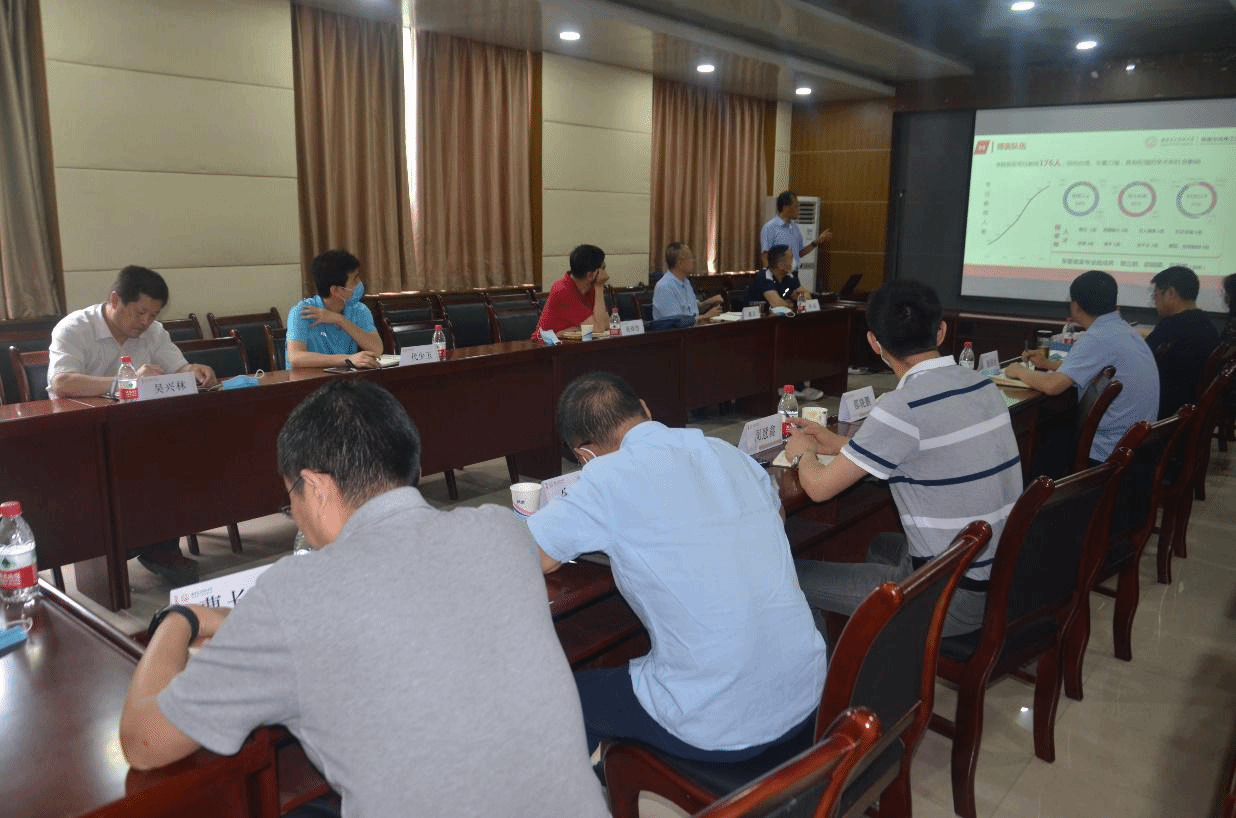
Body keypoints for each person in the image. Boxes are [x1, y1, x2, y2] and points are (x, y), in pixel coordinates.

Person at [119, 379, 608, 818]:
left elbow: (144, 742)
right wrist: (242, 626)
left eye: (290, 497)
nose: (295, 512)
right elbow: (405, 606)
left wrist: (179, 619)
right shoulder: (502, 531)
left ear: (315, 486)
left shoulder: (295, 594)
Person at [526, 372, 828, 764]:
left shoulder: (604, 476)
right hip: (807, 694)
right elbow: (777, 515)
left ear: (585, 454)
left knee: (567, 697)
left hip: (721, 722)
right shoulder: (723, 449)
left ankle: (596, 784)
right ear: (645, 409)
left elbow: (535, 555)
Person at [787, 279, 1022, 637]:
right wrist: (840, 445)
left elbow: (819, 488)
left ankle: (834, 672)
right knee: (879, 544)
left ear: (874, 342)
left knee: (792, 576)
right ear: (941, 331)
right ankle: (884, 653)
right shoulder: (981, 384)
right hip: (999, 575)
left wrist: (802, 453)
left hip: (948, 597)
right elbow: (926, 447)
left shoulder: (902, 405)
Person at [48, 265, 218, 586]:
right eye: (140, 313)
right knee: (135, 466)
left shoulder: (154, 332)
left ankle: (159, 546)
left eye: (153, 315)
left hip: (137, 431)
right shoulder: (74, 328)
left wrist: (195, 370)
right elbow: (62, 382)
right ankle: (121, 547)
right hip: (81, 436)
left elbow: (179, 367)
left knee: (179, 454)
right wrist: (125, 383)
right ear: (115, 300)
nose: (146, 322)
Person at [1007, 269, 1159, 465]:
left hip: (1108, 453)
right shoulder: (1123, 330)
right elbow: (1092, 366)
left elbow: (1052, 386)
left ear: (1076, 306)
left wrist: (1018, 370)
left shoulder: (1096, 337)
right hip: (1137, 446)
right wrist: (1047, 364)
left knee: (1041, 441)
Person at [286, 249, 383, 369]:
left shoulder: (359, 310)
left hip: (343, 378)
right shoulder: (303, 311)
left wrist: (340, 320)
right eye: (355, 279)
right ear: (335, 290)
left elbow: (377, 349)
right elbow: (295, 357)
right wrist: (348, 359)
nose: (360, 283)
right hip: (307, 378)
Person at [749, 245, 822, 400]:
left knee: (799, 340)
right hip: (755, 330)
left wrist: (796, 298)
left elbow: (807, 295)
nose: (794, 261)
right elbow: (776, 303)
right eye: (791, 258)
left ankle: (796, 386)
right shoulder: (764, 276)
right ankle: (787, 387)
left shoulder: (789, 277)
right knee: (790, 343)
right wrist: (790, 302)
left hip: (781, 325)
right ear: (781, 265)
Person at [1145, 266, 1220, 418]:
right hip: (1192, 411)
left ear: (1171, 293)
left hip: (1165, 412)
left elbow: (1143, 358)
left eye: (1156, 294)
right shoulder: (1208, 326)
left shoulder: (1170, 327)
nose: (1155, 301)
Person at [534, 244, 611, 336]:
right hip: (548, 343)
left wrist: (576, 329)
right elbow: (599, 328)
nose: (605, 273)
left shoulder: (590, 288)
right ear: (591, 275)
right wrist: (599, 287)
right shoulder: (562, 290)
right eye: (603, 268)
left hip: (572, 341)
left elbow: (606, 323)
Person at [759, 189, 832, 271]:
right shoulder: (769, 227)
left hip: (793, 274)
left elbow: (800, 252)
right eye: (796, 206)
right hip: (778, 275)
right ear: (785, 207)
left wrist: (817, 241)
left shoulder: (795, 228)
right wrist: (770, 278)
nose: (798, 210)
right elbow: (765, 257)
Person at [651, 242, 723, 323]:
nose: (693, 261)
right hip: (678, 331)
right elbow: (676, 322)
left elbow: (691, 309)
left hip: (693, 328)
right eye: (690, 257)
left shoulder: (686, 282)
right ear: (679, 262)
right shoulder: (664, 287)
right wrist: (705, 316)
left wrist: (709, 301)